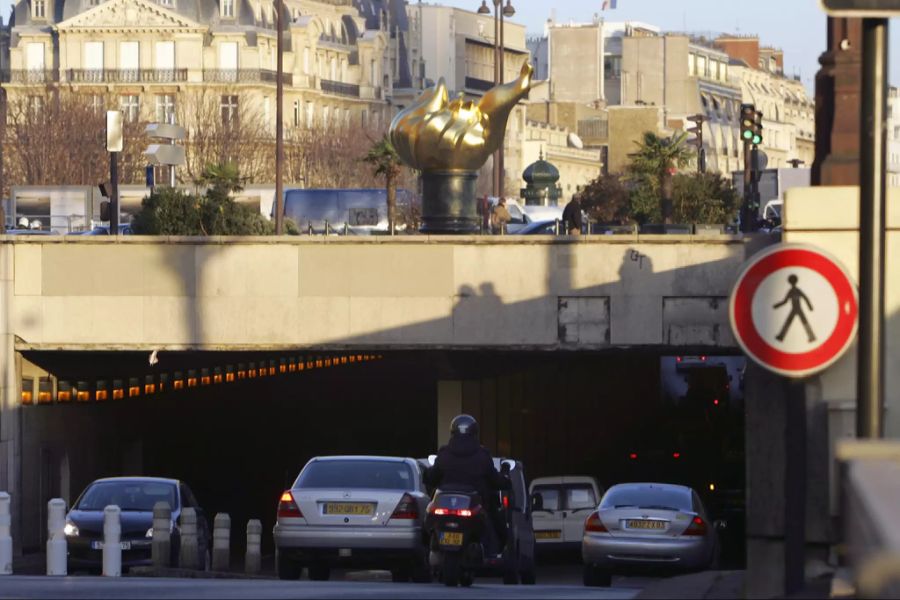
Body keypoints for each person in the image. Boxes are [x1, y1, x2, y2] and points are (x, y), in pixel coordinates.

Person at [424, 414, 510, 553]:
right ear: (475, 433)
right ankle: (494, 552)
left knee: (426, 522)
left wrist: (427, 474)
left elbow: (431, 477)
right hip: (476, 509)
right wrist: (505, 478)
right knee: (499, 525)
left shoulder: (444, 454)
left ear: (453, 432)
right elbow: (496, 480)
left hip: (447, 510)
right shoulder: (483, 455)